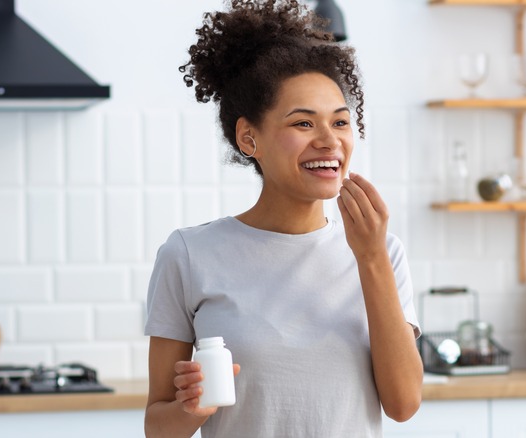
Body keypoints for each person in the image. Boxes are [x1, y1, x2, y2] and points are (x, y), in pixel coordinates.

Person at [144, 1, 423, 436]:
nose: (330, 141)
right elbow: (157, 426)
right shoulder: (189, 254)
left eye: (341, 123)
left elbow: (403, 404)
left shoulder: (382, 252)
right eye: (304, 124)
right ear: (248, 137)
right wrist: (190, 410)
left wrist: (370, 258)